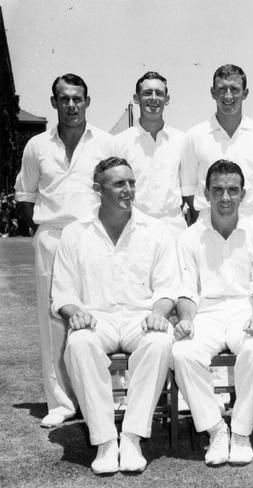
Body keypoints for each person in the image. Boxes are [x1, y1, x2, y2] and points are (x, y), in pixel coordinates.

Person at [51, 158, 176, 474]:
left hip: (140, 317)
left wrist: (160, 313)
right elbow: (63, 293)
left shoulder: (156, 230)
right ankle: (106, 441)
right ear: (98, 190)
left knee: (160, 342)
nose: (129, 190)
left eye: (132, 183)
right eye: (119, 184)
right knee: (78, 344)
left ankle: (132, 437)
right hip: (96, 318)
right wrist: (76, 313)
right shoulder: (75, 233)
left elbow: (167, 286)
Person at [14, 73, 115, 428]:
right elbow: (25, 195)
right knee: (54, 320)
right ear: (54, 102)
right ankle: (61, 402)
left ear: (88, 101)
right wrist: (46, 228)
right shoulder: (37, 146)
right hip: (52, 238)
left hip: (92, 238)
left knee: (95, 315)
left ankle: (99, 397)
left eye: (78, 99)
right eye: (64, 99)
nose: (71, 105)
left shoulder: (106, 142)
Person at [171, 160, 253, 466]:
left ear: (243, 194)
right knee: (183, 353)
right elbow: (186, 290)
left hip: (245, 308)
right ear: (205, 193)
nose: (225, 197)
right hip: (207, 312)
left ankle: (241, 432)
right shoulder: (190, 236)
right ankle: (216, 430)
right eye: (218, 190)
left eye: (232, 190)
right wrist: (186, 319)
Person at [180, 64, 253, 224]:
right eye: (222, 89)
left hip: (250, 222)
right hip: (207, 223)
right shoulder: (194, 136)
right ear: (213, 93)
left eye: (235, 89)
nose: (228, 96)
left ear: (245, 93)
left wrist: (252, 214)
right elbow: (188, 188)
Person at [115, 71, 186, 233]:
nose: (154, 98)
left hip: (174, 227)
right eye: (147, 93)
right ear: (136, 98)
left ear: (167, 100)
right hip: (134, 227)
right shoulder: (120, 143)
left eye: (159, 94)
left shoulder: (182, 140)